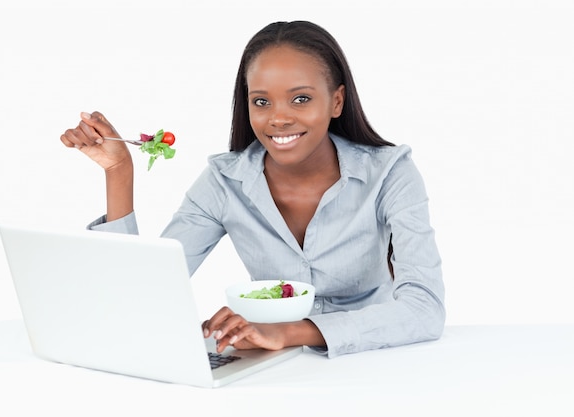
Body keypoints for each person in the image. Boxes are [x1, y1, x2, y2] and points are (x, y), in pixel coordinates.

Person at [60, 20, 445, 358]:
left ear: (337, 101)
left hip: (378, 361)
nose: (278, 118)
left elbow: (424, 309)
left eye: (301, 98)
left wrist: (287, 333)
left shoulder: (390, 172)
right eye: (261, 101)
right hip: (265, 368)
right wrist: (118, 172)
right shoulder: (224, 183)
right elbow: (137, 293)